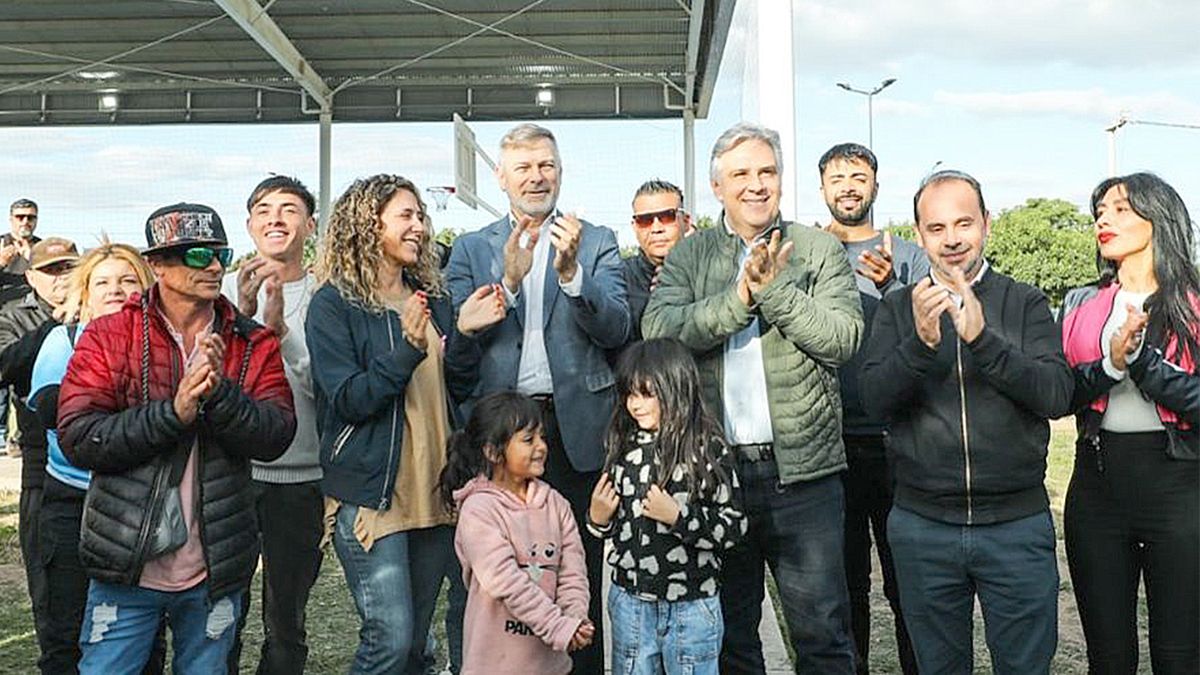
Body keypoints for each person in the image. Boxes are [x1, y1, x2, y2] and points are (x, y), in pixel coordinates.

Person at [643, 122, 863, 674]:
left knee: (824, 635)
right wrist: (739, 298)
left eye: (767, 171)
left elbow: (842, 339)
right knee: (730, 636)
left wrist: (775, 291)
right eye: (741, 174)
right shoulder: (691, 255)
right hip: (716, 477)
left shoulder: (817, 249)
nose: (756, 185)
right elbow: (659, 330)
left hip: (805, 479)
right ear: (717, 187)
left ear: (782, 181)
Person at [57, 203, 297, 674]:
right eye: (195, 256)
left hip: (215, 568)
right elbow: (80, 437)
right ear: (158, 265)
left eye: (219, 254)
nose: (212, 266)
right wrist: (175, 412)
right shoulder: (108, 335)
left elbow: (276, 435)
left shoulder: (251, 343)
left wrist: (219, 395)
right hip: (125, 563)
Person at [859, 170, 1073, 674]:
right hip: (922, 527)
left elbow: (1057, 394)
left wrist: (984, 341)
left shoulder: (1024, 302)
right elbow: (872, 400)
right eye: (937, 228)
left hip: (1016, 526)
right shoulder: (895, 307)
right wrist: (921, 343)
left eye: (963, 223)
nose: (952, 239)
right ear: (918, 233)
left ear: (986, 225)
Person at [444, 123, 628, 675]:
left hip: (573, 436)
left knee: (576, 574)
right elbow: (458, 360)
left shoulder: (594, 241)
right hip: (498, 439)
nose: (536, 176)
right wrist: (509, 280)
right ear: (500, 177)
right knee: (489, 585)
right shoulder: (471, 250)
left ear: (561, 171)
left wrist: (572, 278)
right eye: (523, 167)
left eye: (545, 164)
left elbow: (617, 330)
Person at [305, 174, 505, 674]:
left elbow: (455, 387)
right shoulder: (334, 305)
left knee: (415, 644)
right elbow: (349, 399)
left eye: (420, 216)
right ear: (367, 226)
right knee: (389, 641)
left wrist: (461, 333)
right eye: (406, 216)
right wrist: (407, 352)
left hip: (435, 490)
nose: (419, 226)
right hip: (374, 496)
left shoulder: (430, 297)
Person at [1060, 172, 1199, 673]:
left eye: (1120, 208)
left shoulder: (1193, 304)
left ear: (1157, 217)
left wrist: (1143, 363)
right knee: (1109, 657)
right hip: (1097, 491)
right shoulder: (1081, 304)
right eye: (1100, 210)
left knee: (1180, 656)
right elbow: (1063, 395)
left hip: (1180, 491)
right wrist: (1112, 366)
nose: (1104, 218)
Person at [26, 240, 164, 675]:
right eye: (102, 281)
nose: (115, 289)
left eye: (127, 279)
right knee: (66, 633)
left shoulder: (162, 342)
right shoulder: (61, 339)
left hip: (142, 505)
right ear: (84, 292)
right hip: (73, 502)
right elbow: (53, 409)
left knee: (143, 638)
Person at [818, 142, 926, 674]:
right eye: (836, 177)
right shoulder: (807, 253)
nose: (848, 185)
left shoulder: (908, 255)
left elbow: (935, 332)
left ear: (876, 187)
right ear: (822, 189)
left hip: (897, 444)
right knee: (844, 589)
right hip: (828, 449)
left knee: (907, 584)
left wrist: (892, 287)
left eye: (858, 176)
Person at [587, 338, 746, 675]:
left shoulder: (707, 448)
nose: (635, 404)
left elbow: (733, 526)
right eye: (630, 394)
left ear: (676, 387)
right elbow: (613, 524)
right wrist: (596, 520)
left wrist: (678, 517)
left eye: (647, 394)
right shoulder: (622, 446)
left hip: (692, 605)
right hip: (631, 604)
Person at [223, 175, 324, 675]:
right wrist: (243, 318)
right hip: (230, 476)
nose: (275, 219)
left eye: (288, 209)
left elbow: (325, 391)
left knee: (287, 620)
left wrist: (282, 336)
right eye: (263, 210)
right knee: (222, 612)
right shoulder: (220, 292)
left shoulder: (328, 296)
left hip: (300, 479)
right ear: (249, 225)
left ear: (310, 223)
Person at [438, 391, 592, 675]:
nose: (541, 446)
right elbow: (506, 582)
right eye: (528, 439)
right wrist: (558, 626)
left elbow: (573, 573)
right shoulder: (478, 510)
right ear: (493, 451)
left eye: (542, 437)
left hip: (551, 667)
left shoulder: (556, 505)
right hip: (494, 666)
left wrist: (574, 618)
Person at [0, 236, 76, 669]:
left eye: (69, 268)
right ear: (30, 276)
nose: (61, 279)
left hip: (107, 468)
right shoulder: (14, 314)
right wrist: (55, 325)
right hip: (41, 470)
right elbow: (5, 366)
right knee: (52, 605)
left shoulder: (101, 309)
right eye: (51, 271)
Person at [623, 180, 693, 343]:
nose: (656, 228)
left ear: (686, 221)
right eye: (645, 220)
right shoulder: (618, 279)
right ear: (634, 226)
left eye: (667, 217)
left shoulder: (708, 274)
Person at [0, 198, 42, 295]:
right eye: (20, 217)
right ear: (11, 219)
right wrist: (1, 262)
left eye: (30, 217)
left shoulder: (43, 248)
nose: (25, 222)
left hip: (35, 306)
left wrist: (32, 261)